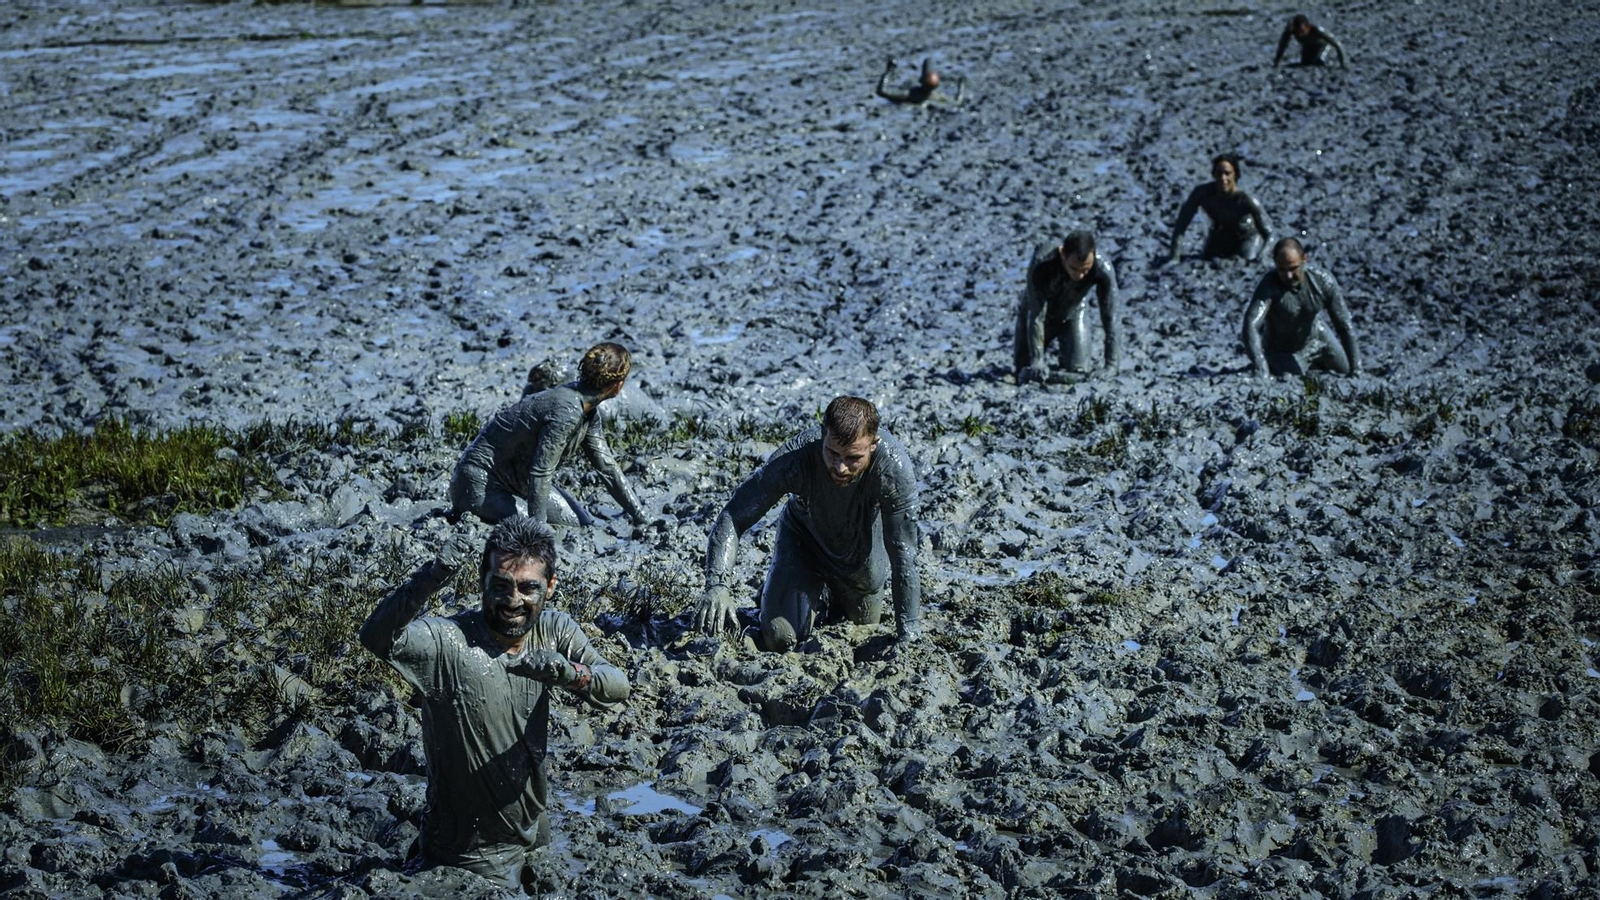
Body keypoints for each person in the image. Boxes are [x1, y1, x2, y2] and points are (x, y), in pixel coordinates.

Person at [358, 516, 630, 892]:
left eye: (527, 588)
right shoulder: (447, 642)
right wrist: (431, 576)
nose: (513, 601)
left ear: (549, 586)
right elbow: (375, 637)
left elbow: (618, 685)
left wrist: (569, 673)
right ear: (480, 581)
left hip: (535, 832)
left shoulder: (553, 630)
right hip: (468, 853)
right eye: (500, 585)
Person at [692, 396, 922, 653]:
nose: (841, 467)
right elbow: (733, 516)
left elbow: (904, 551)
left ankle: (824, 597)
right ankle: (788, 589)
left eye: (852, 457)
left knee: (861, 630)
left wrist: (909, 630)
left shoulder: (892, 469)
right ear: (823, 434)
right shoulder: (796, 457)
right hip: (805, 543)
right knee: (780, 638)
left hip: (861, 559)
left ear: (873, 444)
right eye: (832, 453)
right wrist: (717, 585)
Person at [449, 341, 648, 530]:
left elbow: (607, 467)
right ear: (617, 386)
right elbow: (542, 471)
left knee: (580, 524)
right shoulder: (567, 411)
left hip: (520, 483)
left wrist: (641, 517)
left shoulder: (588, 412)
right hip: (479, 485)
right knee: (550, 530)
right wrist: (539, 530)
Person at [1243, 237, 1362, 378]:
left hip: (1318, 337)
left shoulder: (1323, 281)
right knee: (1292, 376)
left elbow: (1344, 324)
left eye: (1293, 268)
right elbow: (1250, 325)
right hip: (1282, 350)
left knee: (1345, 369)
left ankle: (1318, 362)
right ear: (1275, 263)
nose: (1288, 276)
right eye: (1282, 270)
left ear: (1304, 259)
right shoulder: (1269, 286)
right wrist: (1260, 366)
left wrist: (1356, 370)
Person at [1013, 230, 1121, 381]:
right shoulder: (1042, 262)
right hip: (1036, 311)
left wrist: (1111, 365)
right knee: (1024, 369)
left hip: (1073, 312)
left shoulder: (1102, 267)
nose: (1079, 276)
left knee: (1079, 370)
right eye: (1074, 268)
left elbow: (1111, 316)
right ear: (1062, 253)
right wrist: (1037, 360)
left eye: (1086, 270)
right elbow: (1036, 315)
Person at [876, 56, 964, 106]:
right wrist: (961, 86)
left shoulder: (910, 94)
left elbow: (882, 92)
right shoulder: (938, 97)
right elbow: (956, 102)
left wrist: (888, 71)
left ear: (921, 81)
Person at [1274, 14, 1348, 68]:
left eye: (1302, 31)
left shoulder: (1317, 30)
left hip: (1322, 46)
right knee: (1305, 63)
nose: (1299, 34)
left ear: (1308, 27)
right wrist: (1277, 63)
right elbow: (1282, 46)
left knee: (1319, 62)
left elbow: (1338, 45)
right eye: (1297, 32)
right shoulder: (1290, 31)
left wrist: (1343, 64)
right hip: (1307, 46)